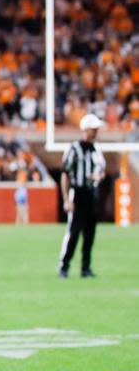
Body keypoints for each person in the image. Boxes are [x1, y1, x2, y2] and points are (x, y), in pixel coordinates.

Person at [58, 114, 107, 278]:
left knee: (90, 233)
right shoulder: (74, 149)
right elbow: (65, 173)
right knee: (74, 232)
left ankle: (85, 268)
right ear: (85, 129)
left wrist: (98, 177)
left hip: (91, 193)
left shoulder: (97, 149)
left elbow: (103, 171)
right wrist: (66, 199)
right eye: (93, 129)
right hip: (77, 192)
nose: (96, 132)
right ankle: (64, 266)